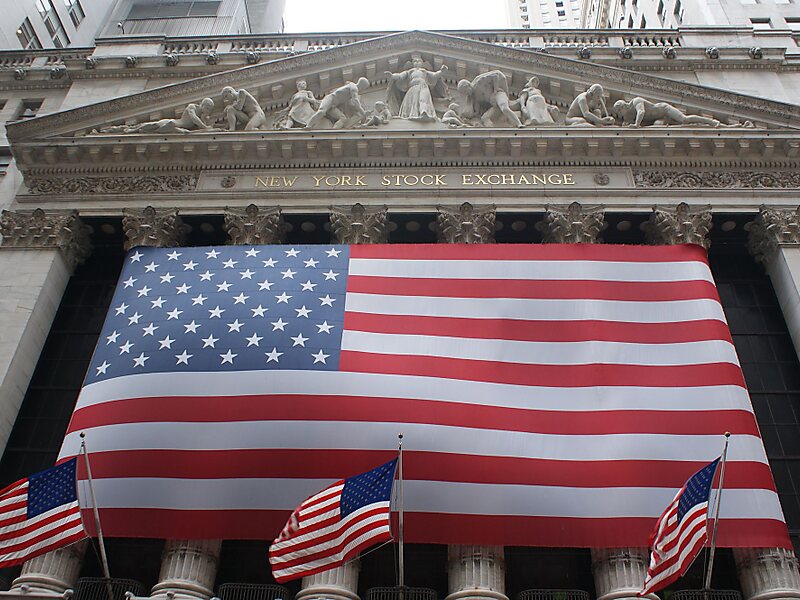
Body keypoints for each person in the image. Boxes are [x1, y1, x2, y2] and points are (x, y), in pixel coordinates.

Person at [385, 54, 449, 122]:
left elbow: (434, 75)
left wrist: (442, 72)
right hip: (413, 88)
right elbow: (400, 76)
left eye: (419, 61)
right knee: (413, 102)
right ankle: (413, 115)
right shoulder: (410, 71)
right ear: (412, 64)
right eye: (415, 61)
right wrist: (392, 76)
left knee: (423, 99)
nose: (417, 62)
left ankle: (424, 112)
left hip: (423, 87)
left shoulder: (424, 71)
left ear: (422, 63)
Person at [97, 98, 216, 134]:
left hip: (177, 129)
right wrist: (205, 127)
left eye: (210, 109)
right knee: (146, 126)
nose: (208, 110)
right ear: (203, 104)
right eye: (208, 107)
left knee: (145, 129)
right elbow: (194, 119)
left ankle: (131, 130)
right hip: (172, 123)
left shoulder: (202, 116)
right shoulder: (192, 107)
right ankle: (119, 130)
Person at [457, 71, 523, 128]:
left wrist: (494, 92)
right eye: (465, 93)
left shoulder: (479, 82)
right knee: (484, 118)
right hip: (494, 105)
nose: (467, 93)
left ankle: (519, 124)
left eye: (465, 90)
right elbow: (477, 112)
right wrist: (467, 119)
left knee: (505, 108)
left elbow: (495, 76)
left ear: (468, 85)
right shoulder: (474, 97)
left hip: (498, 95)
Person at [306, 77, 370, 129]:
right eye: (364, 87)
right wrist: (363, 113)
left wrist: (362, 120)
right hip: (330, 99)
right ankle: (308, 126)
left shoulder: (351, 92)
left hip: (334, 106)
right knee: (321, 112)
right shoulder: (353, 87)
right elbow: (356, 102)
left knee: (343, 118)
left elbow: (352, 105)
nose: (363, 89)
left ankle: (333, 132)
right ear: (362, 85)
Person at [612, 97, 721, 127]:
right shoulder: (628, 115)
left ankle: (711, 122)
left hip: (664, 110)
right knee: (657, 126)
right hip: (660, 119)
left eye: (619, 113)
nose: (620, 116)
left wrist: (636, 124)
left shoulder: (636, 101)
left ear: (622, 107)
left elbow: (641, 112)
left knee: (684, 119)